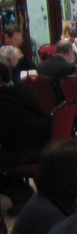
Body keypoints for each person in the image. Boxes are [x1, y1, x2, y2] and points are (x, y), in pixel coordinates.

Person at [0, 62, 50, 215]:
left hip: (22, 151)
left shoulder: (3, 101)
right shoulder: (25, 90)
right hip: (41, 143)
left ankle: (21, 194)